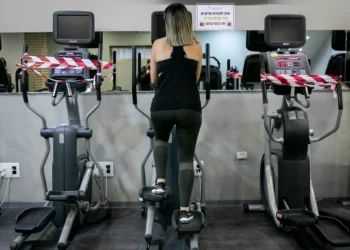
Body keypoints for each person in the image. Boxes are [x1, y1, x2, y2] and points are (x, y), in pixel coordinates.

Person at [150, 3, 202, 224]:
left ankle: (160, 183)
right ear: (186, 22)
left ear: (167, 23)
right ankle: (184, 211)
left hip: (161, 106)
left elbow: (153, 80)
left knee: (160, 138)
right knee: (186, 160)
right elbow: (196, 79)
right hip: (189, 107)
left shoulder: (157, 44)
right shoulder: (197, 46)